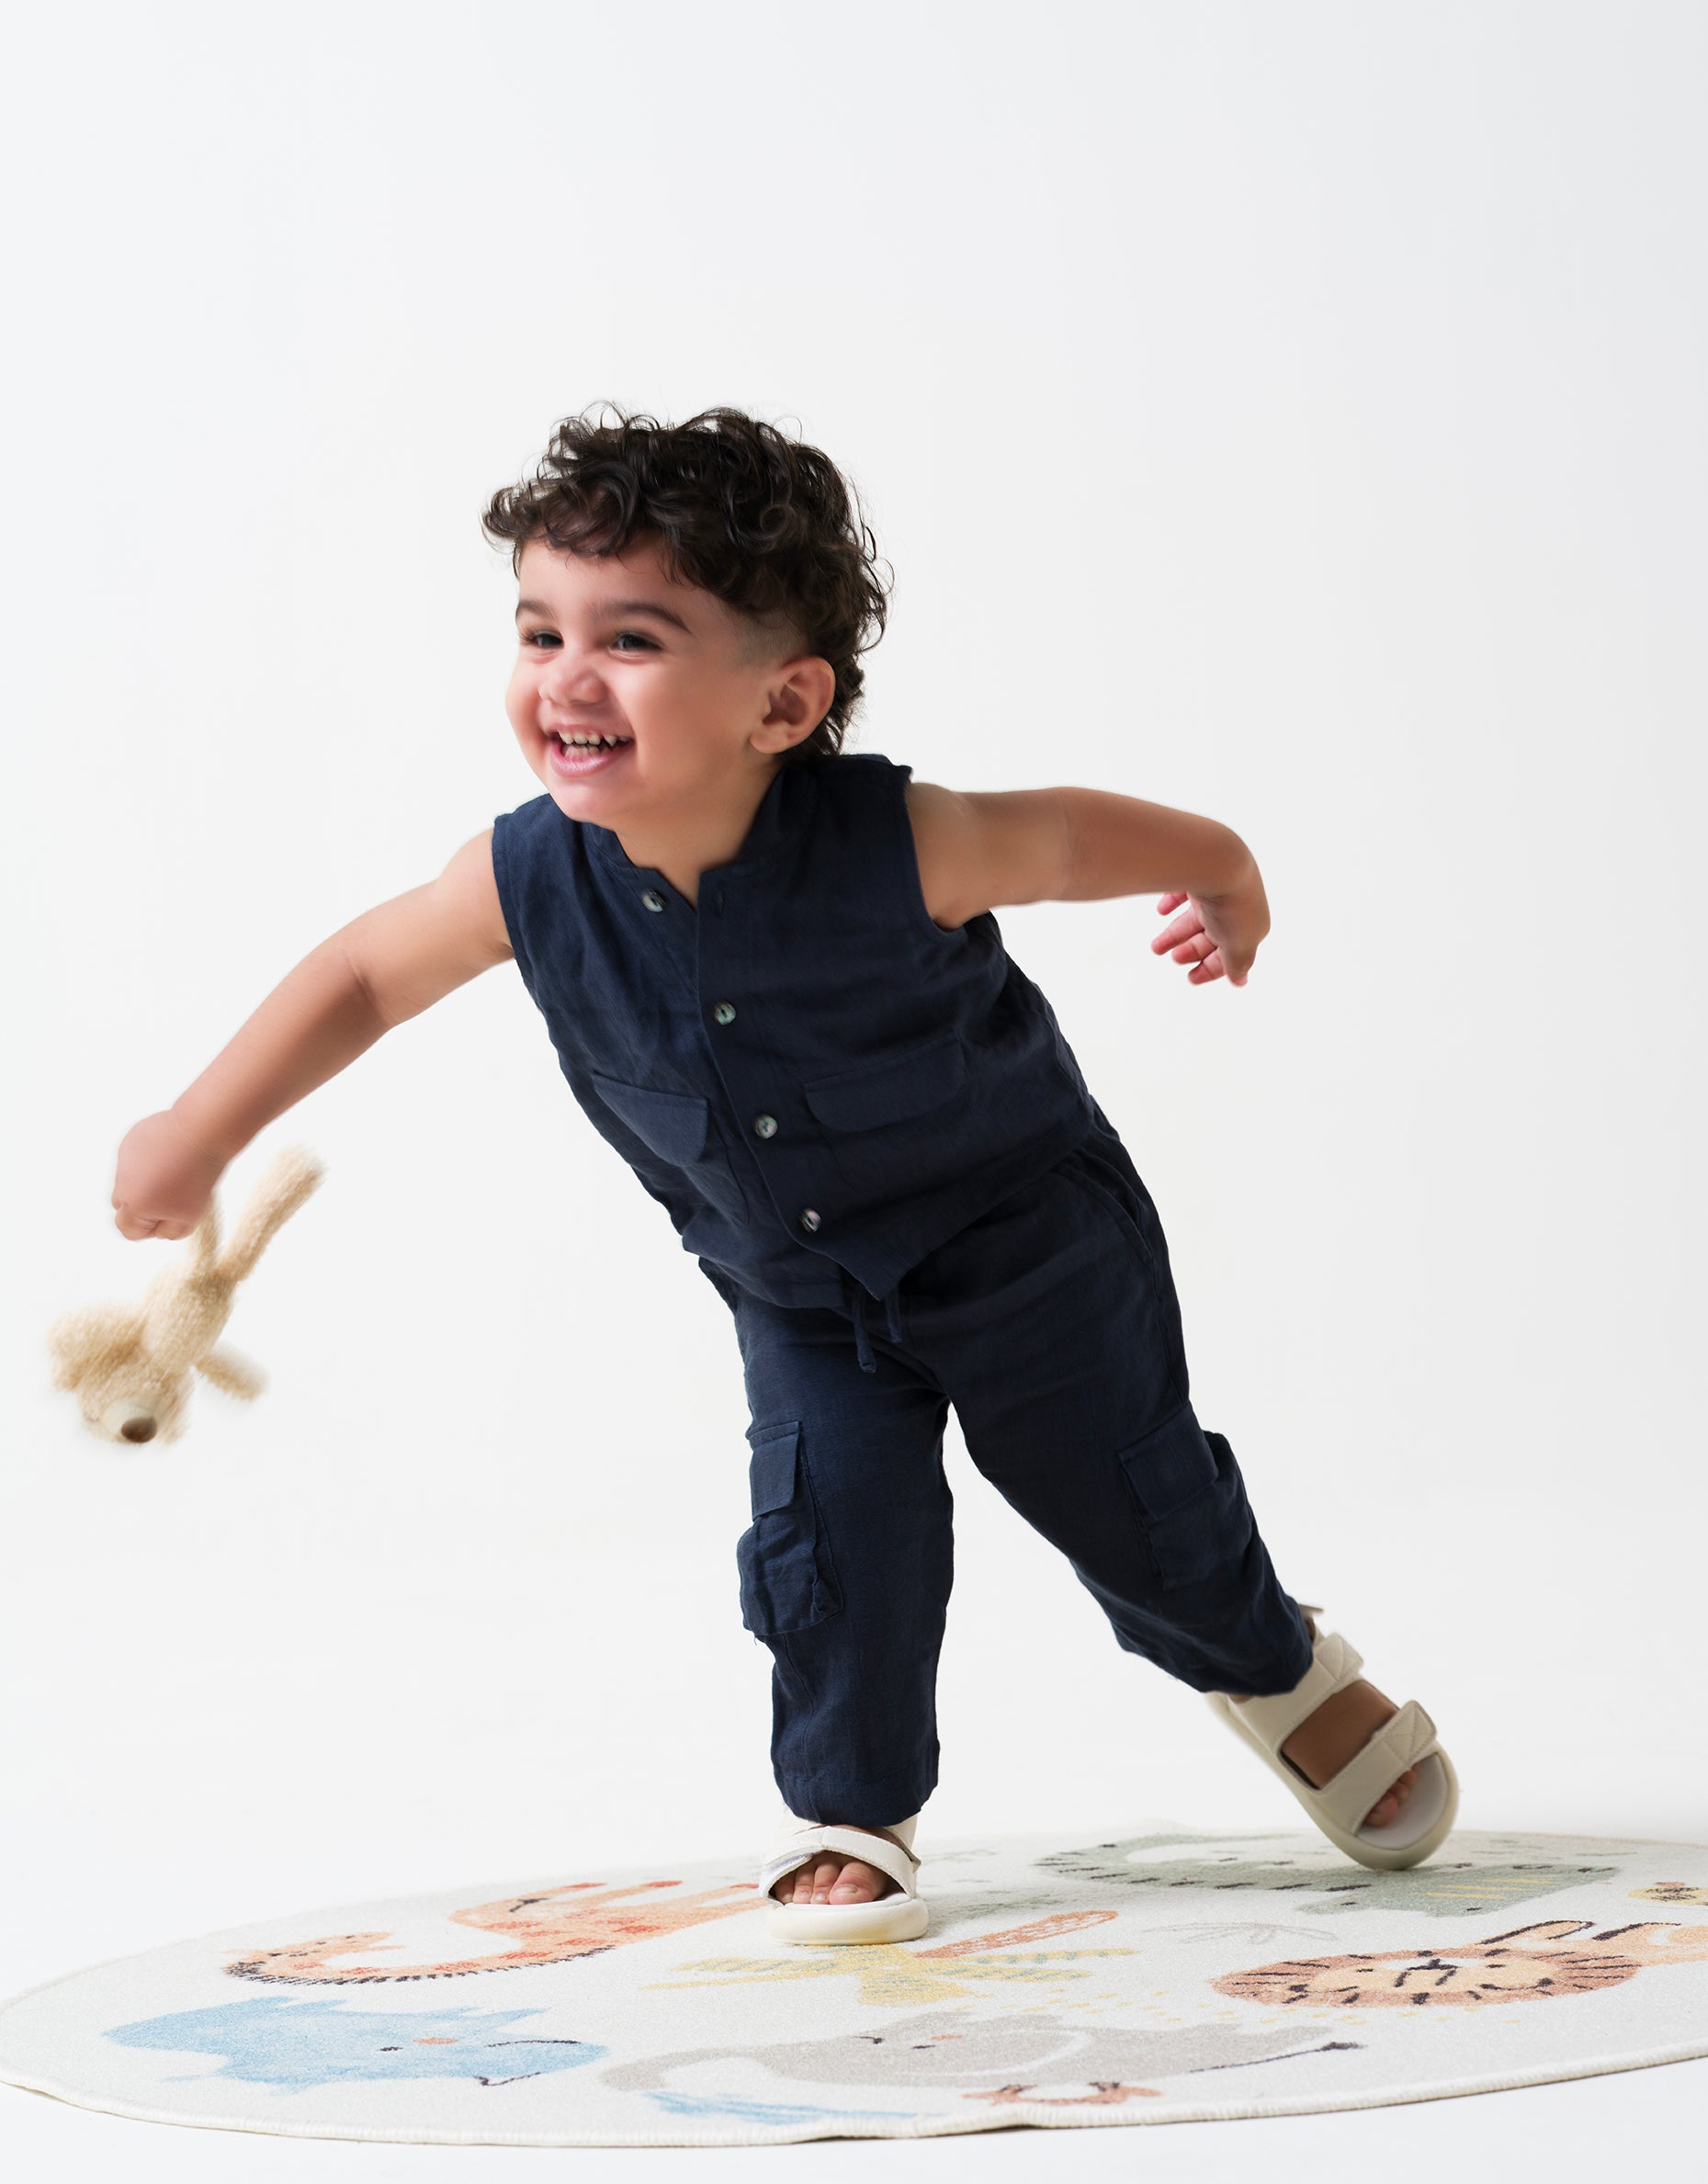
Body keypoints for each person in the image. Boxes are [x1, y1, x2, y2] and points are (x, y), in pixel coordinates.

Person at [109, 405, 1457, 1946]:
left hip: (1026, 1252)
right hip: (802, 1294)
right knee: (830, 1538)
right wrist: (200, 1126)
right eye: (542, 630)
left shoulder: (905, 843)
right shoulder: (524, 876)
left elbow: (1080, 836)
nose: (567, 676)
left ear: (783, 700)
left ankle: (1272, 1660)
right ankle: (850, 1803)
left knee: (1132, 1510)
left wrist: (1227, 875)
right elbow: (362, 972)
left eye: (631, 638)